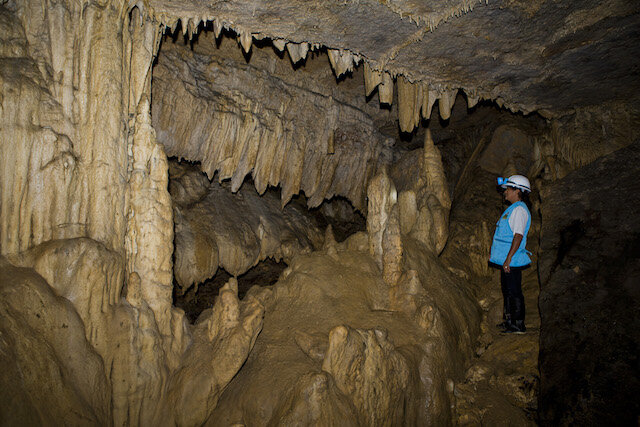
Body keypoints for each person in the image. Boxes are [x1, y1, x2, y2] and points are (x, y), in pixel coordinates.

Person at [489, 174, 532, 334]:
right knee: (507, 290)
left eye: (508, 189)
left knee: (514, 291)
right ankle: (509, 321)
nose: (505, 192)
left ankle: (518, 324)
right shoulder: (513, 209)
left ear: (517, 191)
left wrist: (508, 258)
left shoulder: (519, 210)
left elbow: (518, 235)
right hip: (506, 260)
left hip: (512, 260)